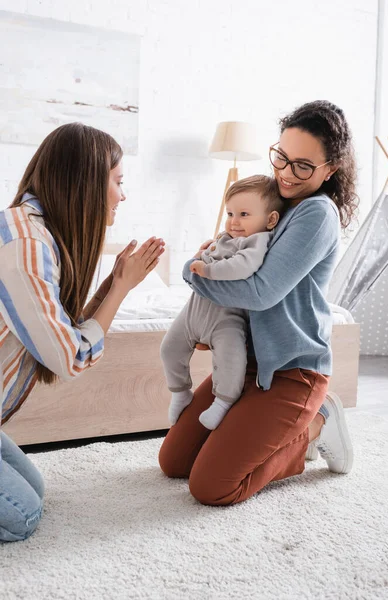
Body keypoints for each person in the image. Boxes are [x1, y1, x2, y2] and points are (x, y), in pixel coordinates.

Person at [159, 100, 358, 506]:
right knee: (174, 462)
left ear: (330, 170)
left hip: (291, 372)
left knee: (212, 487)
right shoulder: (271, 204)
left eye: (302, 165)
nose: (286, 172)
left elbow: (260, 292)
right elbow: (219, 257)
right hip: (244, 364)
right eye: (282, 157)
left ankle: (316, 426)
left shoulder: (317, 212)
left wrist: (189, 274)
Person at [0, 122, 165, 541]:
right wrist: (121, 289)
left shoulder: (40, 234)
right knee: (21, 515)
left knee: (33, 491)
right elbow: (68, 356)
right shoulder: (27, 246)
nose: (123, 195)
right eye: (118, 181)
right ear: (87, 180)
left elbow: (65, 334)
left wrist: (112, 284)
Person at [161, 175, 284, 430]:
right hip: (193, 310)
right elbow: (204, 257)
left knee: (231, 361)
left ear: (270, 219)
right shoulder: (223, 237)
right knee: (169, 349)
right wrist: (202, 256)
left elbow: (242, 266)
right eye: (230, 213)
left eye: (243, 214)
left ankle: (223, 402)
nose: (234, 221)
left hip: (226, 317)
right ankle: (180, 391)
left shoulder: (258, 242)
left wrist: (208, 272)